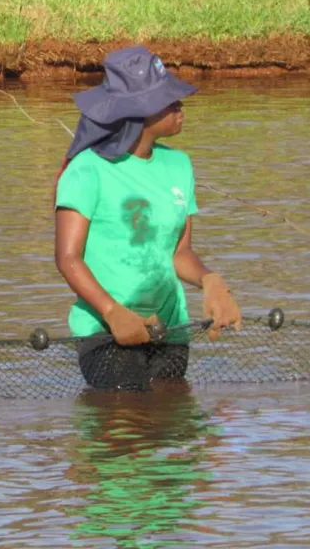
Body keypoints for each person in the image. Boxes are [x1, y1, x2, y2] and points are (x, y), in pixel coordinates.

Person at [53, 45, 242, 391]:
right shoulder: (86, 172)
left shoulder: (179, 166)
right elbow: (68, 259)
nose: (180, 104)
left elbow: (179, 253)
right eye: (168, 100)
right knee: (128, 424)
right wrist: (112, 312)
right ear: (138, 113)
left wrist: (211, 281)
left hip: (169, 328)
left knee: (172, 417)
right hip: (108, 332)